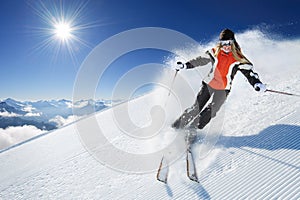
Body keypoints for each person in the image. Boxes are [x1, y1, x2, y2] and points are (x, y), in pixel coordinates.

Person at [172, 28, 266, 130]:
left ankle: (192, 129)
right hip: (208, 84)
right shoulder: (215, 52)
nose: (226, 46)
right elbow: (199, 60)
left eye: (228, 43)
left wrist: (256, 83)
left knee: (212, 110)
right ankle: (175, 127)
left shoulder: (238, 58)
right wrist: (185, 66)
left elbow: (249, 73)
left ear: (233, 42)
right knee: (196, 108)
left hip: (224, 88)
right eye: (223, 43)